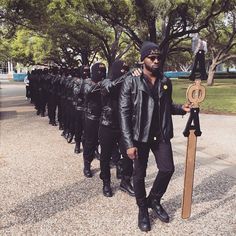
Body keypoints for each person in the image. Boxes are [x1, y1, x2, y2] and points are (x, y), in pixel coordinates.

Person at [119, 41, 190, 232]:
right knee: (139, 175)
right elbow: (124, 114)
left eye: (159, 57)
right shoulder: (131, 81)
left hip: (161, 134)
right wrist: (128, 143)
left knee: (167, 169)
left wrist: (181, 109)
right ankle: (142, 208)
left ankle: (154, 200)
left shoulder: (165, 81)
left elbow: (166, 106)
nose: (156, 60)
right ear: (143, 60)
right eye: (152, 57)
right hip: (138, 136)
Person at [99, 60, 134, 197]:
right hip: (107, 125)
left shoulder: (129, 84)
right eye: (122, 69)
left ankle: (125, 181)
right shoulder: (106, 82)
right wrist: (127, 76)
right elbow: (110, 88)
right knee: (105, 157)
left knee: (128, 155)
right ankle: (106, 182)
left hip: (124, 126)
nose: (124, 72)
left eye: (127, 69)